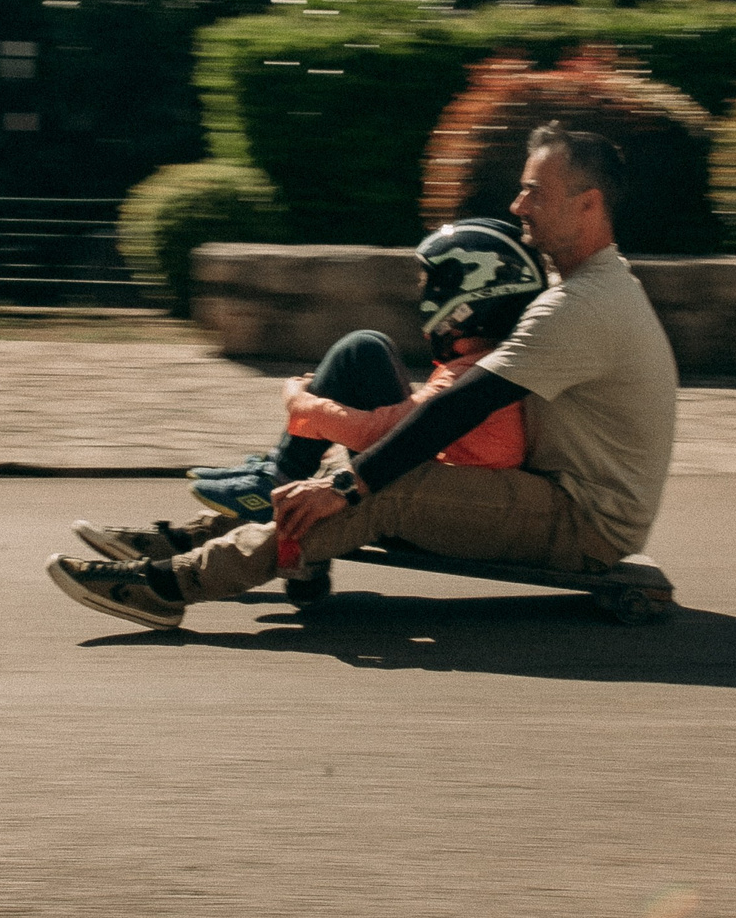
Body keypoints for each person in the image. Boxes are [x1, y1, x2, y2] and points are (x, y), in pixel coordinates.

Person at [48, 121, 679, 630]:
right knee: (355, 469)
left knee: (381, 488)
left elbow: (462, 406)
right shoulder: (586, 291)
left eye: (535, 192)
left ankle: (172, 584)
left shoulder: (585, 307)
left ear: (587, 203)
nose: (517, 206)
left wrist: (348, 488)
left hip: (586, 522)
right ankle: (189, 540)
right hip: (553, 490)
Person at [67, 216, 544, 564]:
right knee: (367, 352)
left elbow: (382, 432)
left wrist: (303, 405)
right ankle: (212, 523)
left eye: (433, 284)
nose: (424, 297)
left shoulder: (474, 377)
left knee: (360, 357)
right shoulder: (478, 365)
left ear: (471, 297)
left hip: (426, 497)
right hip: (422, 471)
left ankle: (268, 486)